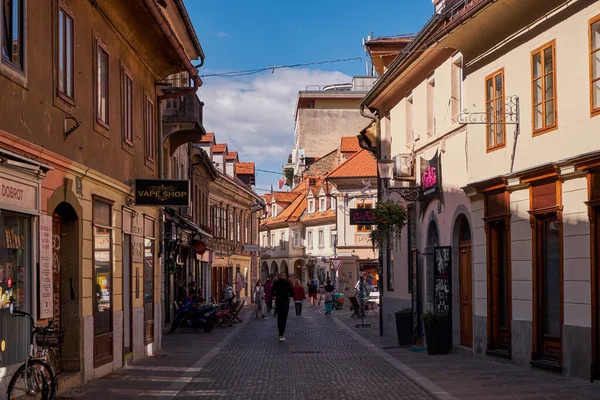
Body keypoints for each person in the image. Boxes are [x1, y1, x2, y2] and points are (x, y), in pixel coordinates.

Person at [272, 272, 294, 341]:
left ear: (279, 276)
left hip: (278, 302)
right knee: (284, 319)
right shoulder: (287, 283)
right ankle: (282, 334)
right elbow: (292, 294)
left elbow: (272, 292)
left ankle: (280, 334)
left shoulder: (276, 283)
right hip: (285, 303)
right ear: (284, 276)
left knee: (279, 319)